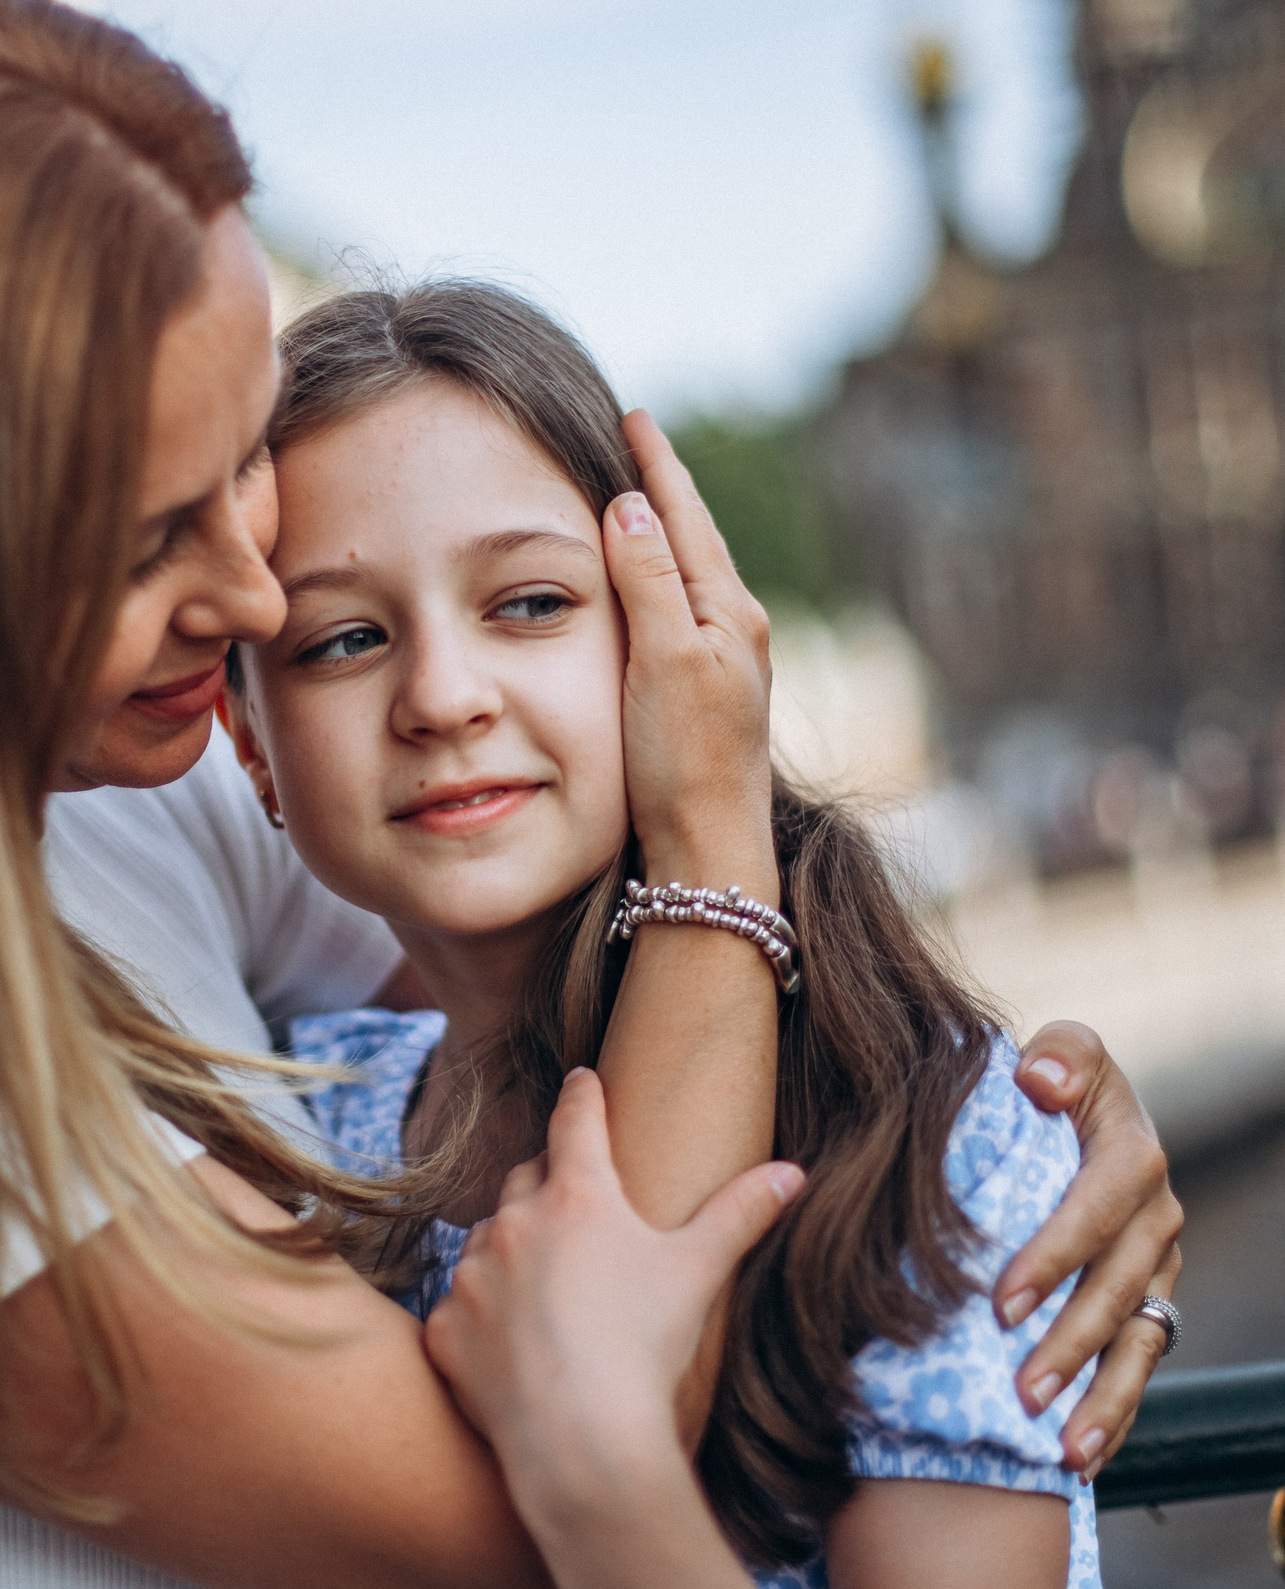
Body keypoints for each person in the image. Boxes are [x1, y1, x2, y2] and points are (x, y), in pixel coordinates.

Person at [0, 0, 1177, 1589]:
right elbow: (550, 1495)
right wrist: (721, 826)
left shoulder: (92, 775)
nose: (247, 600)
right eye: (155, 540)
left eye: (243, 481)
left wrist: (969, 1128)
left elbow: (537, 946)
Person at [221, 281, 1183, 1585]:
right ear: (251, 749)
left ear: (676, 640)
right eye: (343, 639)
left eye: (530, 605)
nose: (443, 695)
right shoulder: (301, 1139)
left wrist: (605, 1486)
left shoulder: (926, 1144)